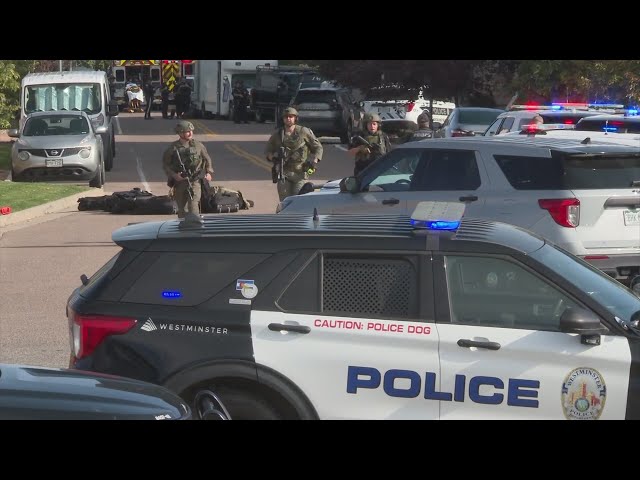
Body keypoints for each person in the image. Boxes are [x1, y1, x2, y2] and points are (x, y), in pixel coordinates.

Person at [265, 107, 323, 201]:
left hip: (301, 173)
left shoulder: (304, 132)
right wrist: (274, 159)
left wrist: (315, 160)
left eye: (291, 116)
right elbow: (268, 150)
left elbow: (318, 147)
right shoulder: (278, 135)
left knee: (299, 200)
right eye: (286, 117)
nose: (288, 119)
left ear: (295, 118)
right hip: (284, 173)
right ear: (283, 119)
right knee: (285, 202)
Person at [162, 120, 214, 219]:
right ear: (180, 133)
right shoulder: (173, 148)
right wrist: (174, 175)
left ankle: (195, 225)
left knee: (193, 203)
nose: (190, 133)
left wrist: (208, 172)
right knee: (182, 207)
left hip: (195, 179)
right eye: (187, 131)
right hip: (180, 181)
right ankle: (182, 227)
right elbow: (166, 165)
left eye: (191, 131)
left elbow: (207, 159)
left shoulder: (198, 145)